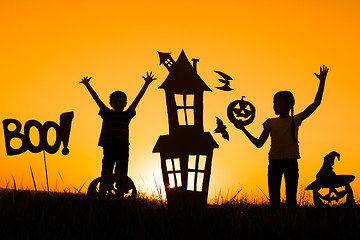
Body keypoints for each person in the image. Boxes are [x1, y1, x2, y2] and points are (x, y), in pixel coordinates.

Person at [234, 65, 328, 213]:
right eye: (274, 102)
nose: (274, 105)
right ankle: (275, 224)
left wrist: (322, 82)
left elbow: (315, 104)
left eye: (278, 102)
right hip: (274, 163)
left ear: (289, 105)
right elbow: (259, 144)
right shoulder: (270, 122)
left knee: (291, 200)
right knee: (274, 200)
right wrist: (243, 129)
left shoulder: (295, 120)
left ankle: (292, 224)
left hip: (291, 162)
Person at [80, 72, 156, 182]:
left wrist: (146, 84)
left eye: (121, 102)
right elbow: (96, 99)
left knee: (121, 170)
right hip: (108, 146)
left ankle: (120, 190)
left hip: (122, 147)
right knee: (107, 168)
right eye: (115, 102)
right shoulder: (106, 113)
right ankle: (104, 189)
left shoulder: (127, 115)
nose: (118, 104)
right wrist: (87, 85)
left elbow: (137, 99)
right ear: (110, 103)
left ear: (125, 103)